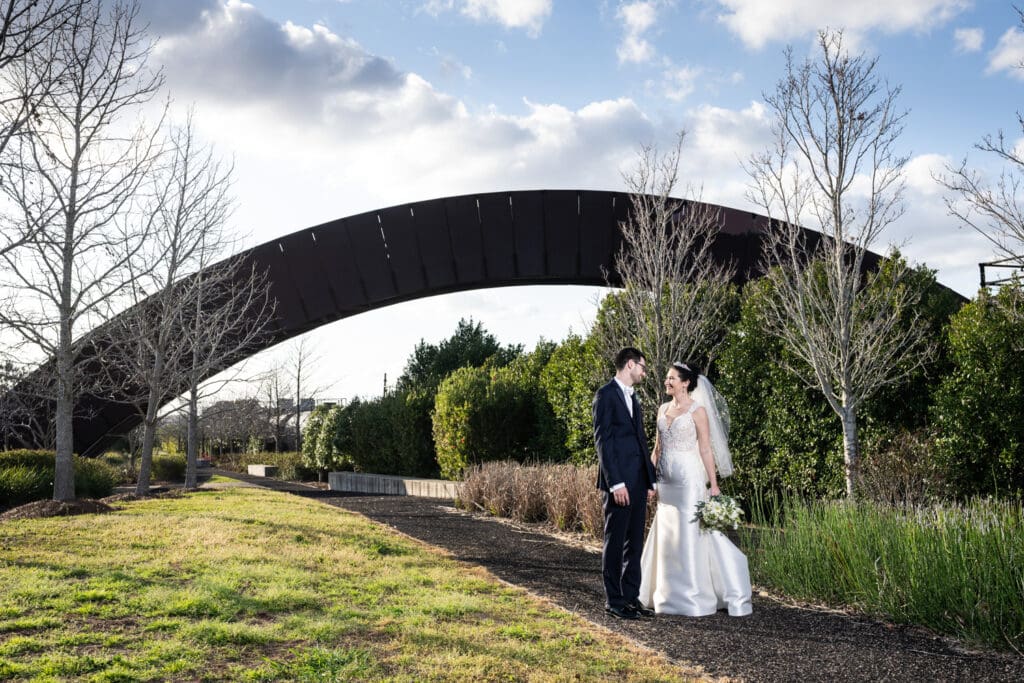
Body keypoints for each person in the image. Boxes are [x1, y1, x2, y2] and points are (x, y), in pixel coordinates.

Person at [638, 362, 753, 617]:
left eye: (672, 378)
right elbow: (657, 448)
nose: (667, 382)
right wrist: (649, 480)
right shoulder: (662, 408)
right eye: (667, 378)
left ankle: (692, 596)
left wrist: (714, 484)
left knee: (690, 532)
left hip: (689, 481)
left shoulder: (698, 411)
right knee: (668, 532)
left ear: (686, 382)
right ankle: (665, 594)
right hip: (666, 482)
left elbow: (705, 449)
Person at [593, 347, 658, 619]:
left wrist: (649, 479)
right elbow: (603, 442)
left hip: (638, 479)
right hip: (619, 482)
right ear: (630, 364)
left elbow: (641, 440)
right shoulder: (605, 395)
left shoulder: (635, 397)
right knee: (615, 540)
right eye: (642, 366)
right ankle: (614, 601)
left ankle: (631, 598)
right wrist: (615, 483)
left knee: (635, 542)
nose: (644, 371)